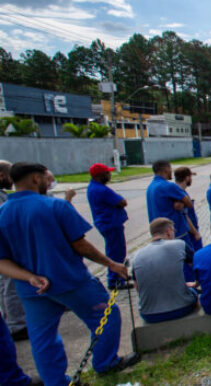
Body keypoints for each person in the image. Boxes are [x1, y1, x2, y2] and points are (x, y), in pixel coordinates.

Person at [0, 162, 139, 384]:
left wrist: (29, 277)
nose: (49, 182)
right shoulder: (55, 206)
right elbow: (81, 245)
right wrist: (111, 264)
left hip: (32, 289)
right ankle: (105, 363)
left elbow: (2, 261)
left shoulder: (3, 213)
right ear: (36, 179)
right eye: (47, 178)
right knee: (106, 316)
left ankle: (56, 382)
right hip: (70, 281)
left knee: (43, 338)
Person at [132, 218, 199, 324]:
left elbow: (138, 287)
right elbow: (197, 265)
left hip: (149, 315)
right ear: (168, 231)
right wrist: (195, 283)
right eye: (173, 231)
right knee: (193, 292)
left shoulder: (136, 256)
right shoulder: (179, 244)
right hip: (181, 308)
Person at [86, 163, 130, 289]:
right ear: (101, 176)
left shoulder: (93, 187)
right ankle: (115, 280)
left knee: (115, 250)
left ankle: (119, 275)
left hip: (107, 223)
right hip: (111, 224)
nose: (110, 175)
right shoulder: (102, 189)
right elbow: (122, 202)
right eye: (108, 173)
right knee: (117, 252)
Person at [0, 159, 27, 343]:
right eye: (10, 176)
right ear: (2, 175)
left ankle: (11, 320)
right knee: (10, 284)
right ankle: (17, 325)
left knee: (5, 285)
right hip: (5, 249)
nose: (12, 180)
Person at [146, 160, 197, 250]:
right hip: (176, 231)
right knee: (187, 259)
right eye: (170, 169)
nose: (171, 172)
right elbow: (188, 203)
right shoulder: (169, 186)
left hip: (158, 232)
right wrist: (182, 202)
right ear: (166, 169)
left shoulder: (151, 186)